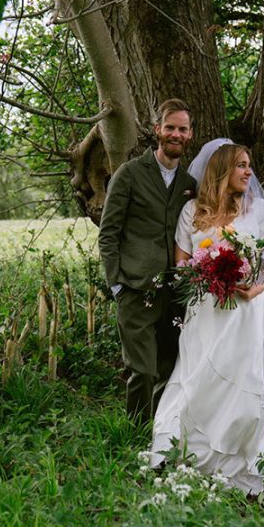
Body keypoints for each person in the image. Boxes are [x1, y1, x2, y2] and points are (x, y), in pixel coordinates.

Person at [148, 139, 264, 495]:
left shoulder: (257, 211)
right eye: (241, 165)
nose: (248, 172)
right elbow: (182, 261)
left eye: (248, 165)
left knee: (242, 380)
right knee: (196, 376)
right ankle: (178, 455)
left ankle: (237, 471)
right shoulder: (193, 211)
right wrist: (206, 275)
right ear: (223, 169)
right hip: (205, 309)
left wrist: (257, 287)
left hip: (247, 312)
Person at [99, 99, 198, 422]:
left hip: (175, 291)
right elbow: (108, 232)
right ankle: (134, 439)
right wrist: (117, 283)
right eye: (170, 127)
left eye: (182, 129)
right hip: (135, 287)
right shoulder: (129, 174)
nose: (176, 134)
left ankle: (161, 435)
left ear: (190, 134)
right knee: (141, 370)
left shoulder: (189, 185)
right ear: (157, 130)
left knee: (170, 367)